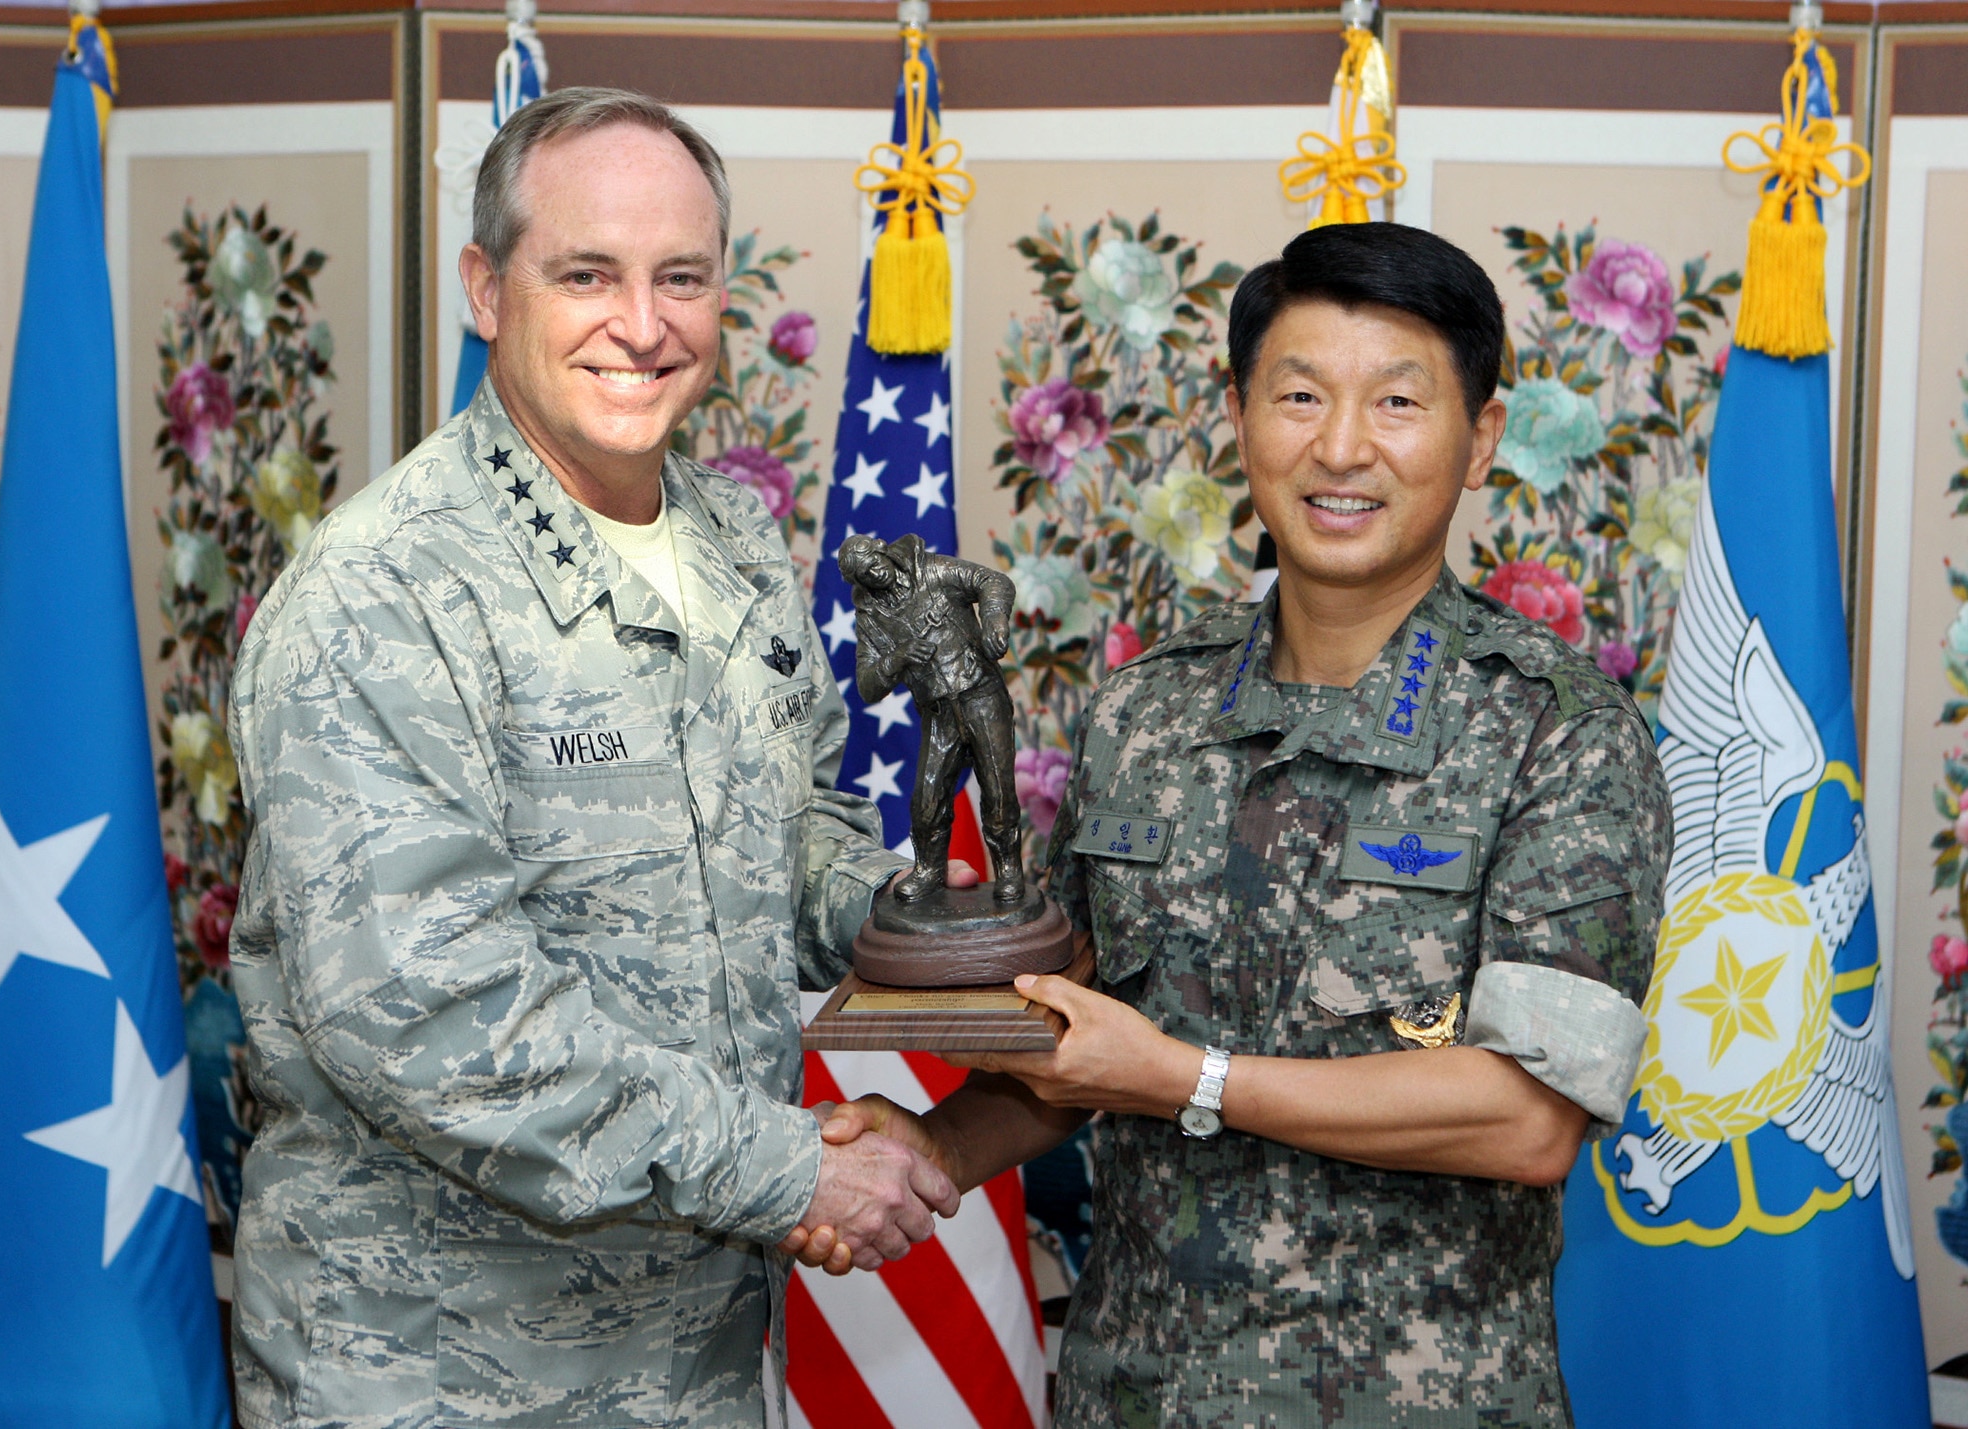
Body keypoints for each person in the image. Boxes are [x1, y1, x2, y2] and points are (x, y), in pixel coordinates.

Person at [794, 223, 1673, 1427]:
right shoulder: (1145, 708)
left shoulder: (1560, 731)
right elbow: (1078, 1046)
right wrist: (931, 1151)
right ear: (1240, 415)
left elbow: (1522, 1118)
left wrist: (1184, 1076)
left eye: (1398, 401)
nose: (1341, 447)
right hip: (1136, 1394)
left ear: (1481, 439)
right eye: (1299, 395)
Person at [225, 87, 964, 1429]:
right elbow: (433, 1013)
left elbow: (778, 827)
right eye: (587, 275)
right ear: (486, 289)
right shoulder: (384, 593)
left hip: (697, 1353)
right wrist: (791, 1170)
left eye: (681, 277)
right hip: (438, 1371)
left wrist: (912, 918)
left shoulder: (732, 539)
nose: (643, 325)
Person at [837, 533, 1027, 905]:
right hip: (939, 715)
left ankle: (1008, 869)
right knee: (926, 800)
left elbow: (993, 581)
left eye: (874, 563)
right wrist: (898, 657)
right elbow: (867, 686)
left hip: (981, 697)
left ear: (884, 551)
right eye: (864, 574)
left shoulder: (934, 571)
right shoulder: (872, 619)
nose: (875, 573)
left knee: (998, 792)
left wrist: (994, 623)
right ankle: (928, 869)